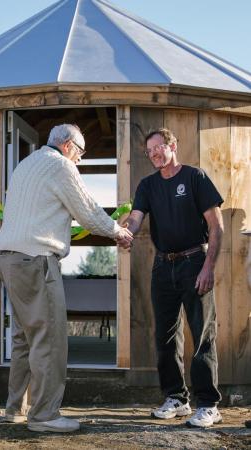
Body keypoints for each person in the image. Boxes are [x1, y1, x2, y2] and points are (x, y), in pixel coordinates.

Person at [0, 123, 133, 433]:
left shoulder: (26, 164)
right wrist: (118, 232)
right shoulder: (60, 167)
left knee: (23, 337)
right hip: (36, 259)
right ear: (69, 145)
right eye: (81, 153)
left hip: (9, 258)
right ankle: (44, 416)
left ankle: (16, 407)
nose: (81, 161)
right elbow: (88, 211)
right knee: (50, 337)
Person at [118, 128, 224, 428]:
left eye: (158, 147)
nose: (153, 153)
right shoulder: (148, 185)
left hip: (195, 261)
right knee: (165, 335)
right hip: (163, 266)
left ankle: (208, 405)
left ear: (172, 146)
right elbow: (136, 218)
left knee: (203, 334)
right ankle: (176, 398)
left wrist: (208, 267)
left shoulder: (195, 177)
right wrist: (126, 233)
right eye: (149, 150)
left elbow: (216, 227)